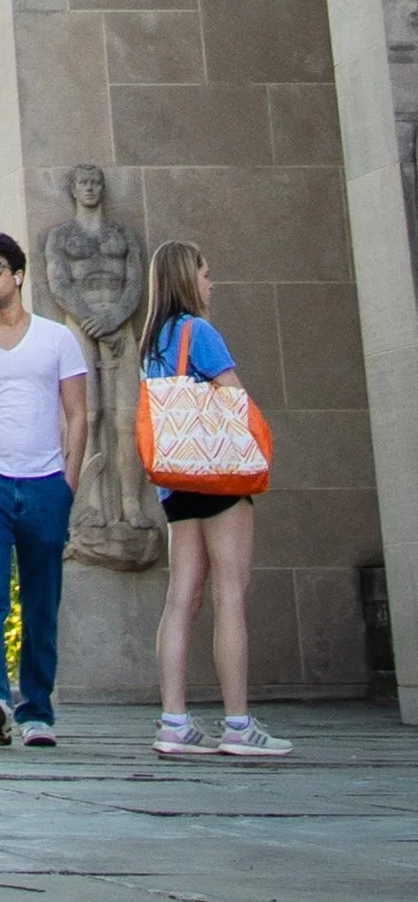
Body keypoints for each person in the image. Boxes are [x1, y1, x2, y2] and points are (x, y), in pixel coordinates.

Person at [143, 240, 291, 761]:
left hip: (176, 480)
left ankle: (174, 721)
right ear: (189, 278)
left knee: (182, 596)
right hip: (220, 475)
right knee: (230, 592)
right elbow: (233, 396)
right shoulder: (198, 332)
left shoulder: (154, 341)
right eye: (206, 273)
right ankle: (237, 723)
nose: (212, 283)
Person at [0, 228, 88, 748]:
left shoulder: (57, 339)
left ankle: (37, 714)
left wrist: (66, 486)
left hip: (45, 483)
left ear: (18, 275)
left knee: (41, 602)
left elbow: (77, 415)